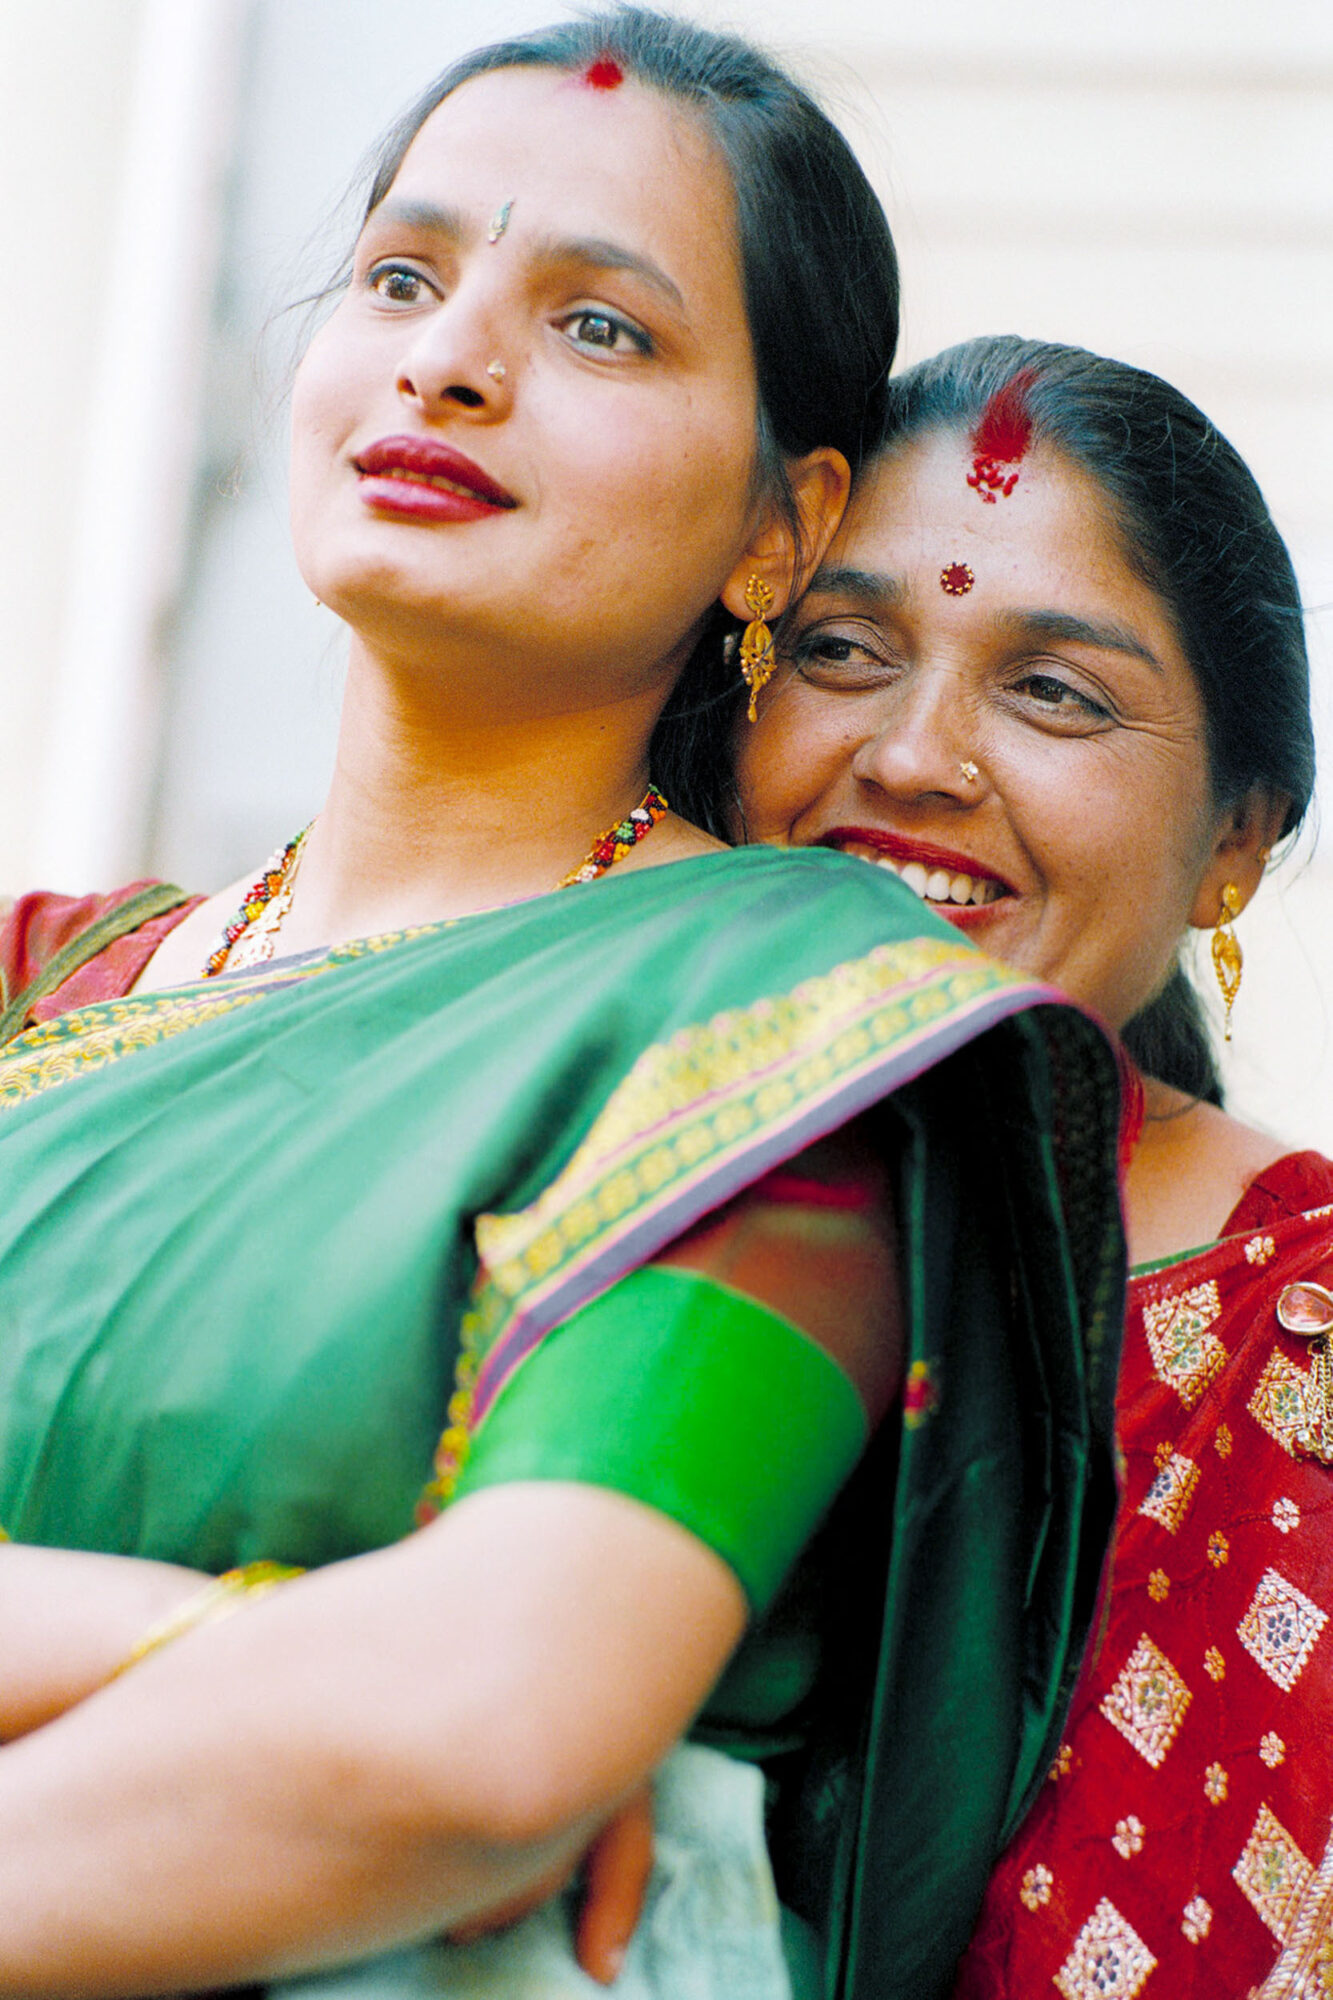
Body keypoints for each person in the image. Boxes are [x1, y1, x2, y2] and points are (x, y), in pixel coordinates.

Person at [0, 27, 1124, 2000]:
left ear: (785, 525)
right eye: (402, 279)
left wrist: (379, 1692)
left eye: (601, 327)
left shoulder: (791, 1017)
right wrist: (236, 1642)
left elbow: (490, 1726)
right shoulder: (45, 981)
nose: (446, 361)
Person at [732, 333, 1331, 1997]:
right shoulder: (578, 1183)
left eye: (1050, 690)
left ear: (1230, 845)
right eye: (842, 649)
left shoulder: (1293, 1333)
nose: (915, 756)